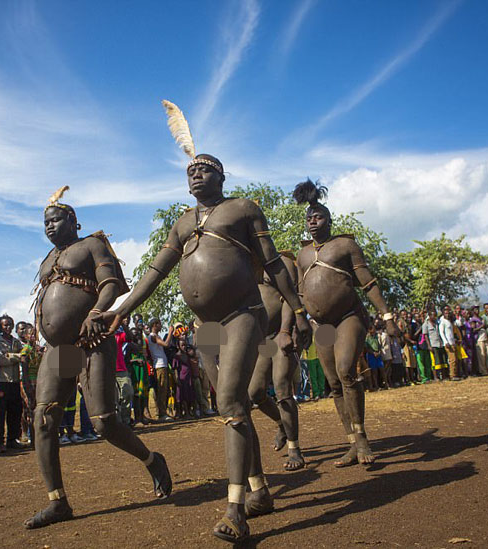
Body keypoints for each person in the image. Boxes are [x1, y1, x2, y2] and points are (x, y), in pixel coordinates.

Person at [96, 112, 310, 542]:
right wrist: (121, 309)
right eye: (191, 169)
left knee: (232, 401)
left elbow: (271, 264)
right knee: (231, 408)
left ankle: (236, 511)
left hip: (243, 315)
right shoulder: (182, 223)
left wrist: (298, 310)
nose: (195, 173)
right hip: (205, 327)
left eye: (204, 168)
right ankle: (258, 489)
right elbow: (154, 272)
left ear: (221, 176)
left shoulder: (243, 209)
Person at [23, 185, 171, 529]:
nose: (49, 226)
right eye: (45, 222)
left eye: (56, 219)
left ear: (73, 220)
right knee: (43, 419)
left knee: (104, 422)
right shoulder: (48, 260)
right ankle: (57, 501)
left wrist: (96, 311)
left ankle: (152, 460)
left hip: (89, 342)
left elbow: (113, 284)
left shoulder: (91, 244)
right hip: (60, 350)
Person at [292, 179, 396, 469]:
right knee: (335, 384)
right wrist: (297, 323)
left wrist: (387, 317)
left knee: (346, 371)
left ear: (329, 219)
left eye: (319, 217)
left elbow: (368, 282)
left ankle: (362, 438)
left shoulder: (345, 245)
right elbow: (298, 293)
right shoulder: (302, 255)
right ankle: (351, 442)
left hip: (349, 317)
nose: (313, 222)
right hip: (321, 326)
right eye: (309, 218)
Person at [247, 251, 305, 470]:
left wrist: (285, 330)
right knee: (255, 393)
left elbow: (291, 296)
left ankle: (294, 448)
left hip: (281, 334)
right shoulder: (247, 263)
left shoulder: (282, 262)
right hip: (262, 340)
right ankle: (282, 423)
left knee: (282, 386)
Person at [0, 315, 24, 451]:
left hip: (15, 381)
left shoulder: (16, 342)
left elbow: (25, 353)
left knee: (15, 411)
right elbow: (0, 359)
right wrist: (18, 357)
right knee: (0, 413)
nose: (8, 327)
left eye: (10, 324)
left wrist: (10, 356)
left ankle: (13, 439)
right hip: (2, 381)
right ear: (0, 326)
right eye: (5, 325)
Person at [147, 319, 174, 422]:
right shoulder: (153, 336)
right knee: (162, 389)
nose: (161, 326)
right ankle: (161, 413)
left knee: (164, 389)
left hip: (162, 365)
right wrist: (170, 332)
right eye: (159, 324)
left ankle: (163, 412)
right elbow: (166, 344)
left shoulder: (154, 336)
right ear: (155, 325)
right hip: (159, 366)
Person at [125, 327, 149, 425]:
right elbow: (126, 360)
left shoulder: (142, 344)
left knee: (143, 394)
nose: (136, 335)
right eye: (134, 333)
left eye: (138, 333)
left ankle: (142, 416)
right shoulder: (129, 345)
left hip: (143, 370)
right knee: (136, 395)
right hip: (135, 371)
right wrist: (136, 361)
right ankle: (137, 418)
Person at [114, 322, 134, 425]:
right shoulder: (102, 337)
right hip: (108, 371)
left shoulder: (118, 335)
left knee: (128, 393)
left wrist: (122, 323)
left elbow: (130, 337)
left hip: (121, 369)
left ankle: (125, 421)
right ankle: (117, 423)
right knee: (114, 399)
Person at [439, 306, 459, 381]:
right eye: (445, 311)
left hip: (452, 342)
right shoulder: (442, 321)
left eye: (448, 311)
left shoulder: (450, 321)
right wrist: (446, 342)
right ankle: (452, 375)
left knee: (455, 359)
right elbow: (441, 332)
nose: (447, 312)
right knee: (452, 359)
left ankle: (454, 373)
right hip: (448, 344)